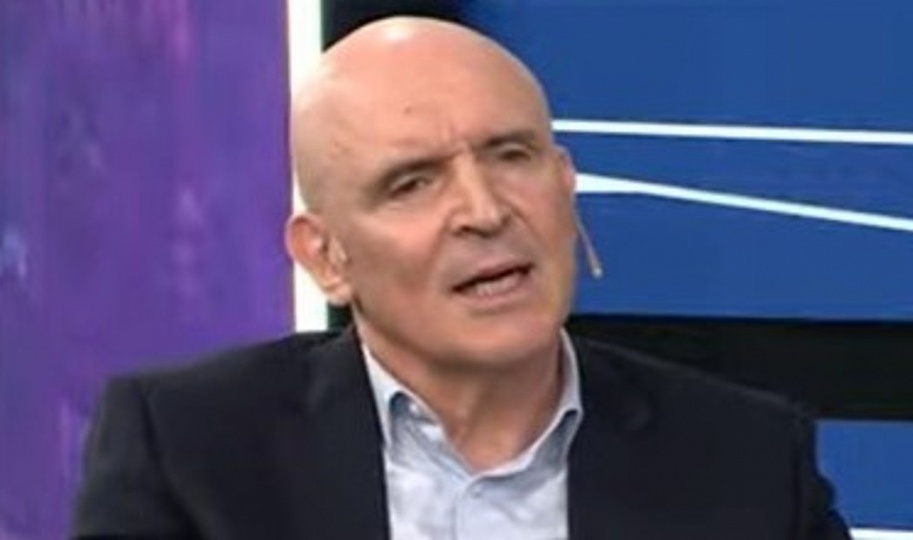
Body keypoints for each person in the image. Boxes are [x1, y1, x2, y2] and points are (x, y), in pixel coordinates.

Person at [72, 16, 851, 540]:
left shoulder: (745, 458)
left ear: (564, 183)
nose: (484, 211)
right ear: (325, 257)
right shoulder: (190, 450)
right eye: (411, 183)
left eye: (511, 155)